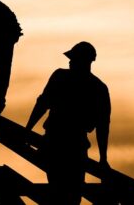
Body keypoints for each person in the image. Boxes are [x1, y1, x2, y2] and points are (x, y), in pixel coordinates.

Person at [26, 41, 111, 205]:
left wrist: (27, 130)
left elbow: (103, 125)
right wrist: (102, 158)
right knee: (67, 195)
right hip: (65, 146)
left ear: (85, 61)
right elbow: (42, 104)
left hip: (64, 145)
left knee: (65, 195)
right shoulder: (97, 87)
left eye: (74, 58)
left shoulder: (67, 79)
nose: (70, 61)